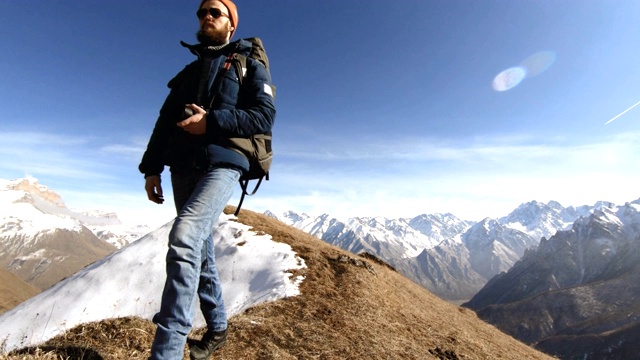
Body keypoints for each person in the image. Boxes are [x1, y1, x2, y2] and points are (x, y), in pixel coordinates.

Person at [138, 0, 276, 358]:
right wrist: (151, 167)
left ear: (232, 23)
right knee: (200, 249)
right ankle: (218, 328)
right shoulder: (188, 72)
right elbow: (164, 122)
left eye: (215, 12)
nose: (206, 17)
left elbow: (263, 116)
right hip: (182, 165)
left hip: (224, 163)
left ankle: (167, 350)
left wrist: (210, 122)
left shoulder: (249, 64)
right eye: (201, 13)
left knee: (184, 236)